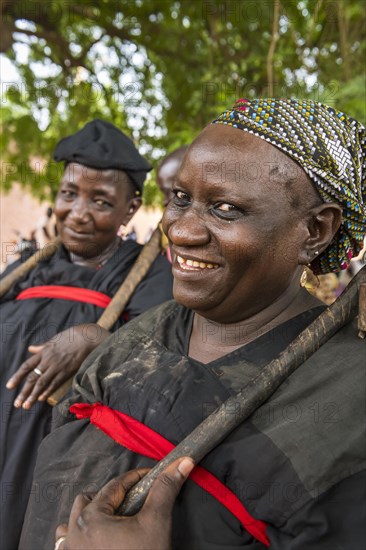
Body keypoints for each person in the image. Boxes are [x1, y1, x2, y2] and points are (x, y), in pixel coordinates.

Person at [20, 99, 365, 550]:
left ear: (315, 231)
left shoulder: (345, 404)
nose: (179, 230)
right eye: (180, 198)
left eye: (225, 209)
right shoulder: (135, 341)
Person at [0, 119, 173, 550]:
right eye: (68, 194)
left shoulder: (147, 273)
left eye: (99, 200)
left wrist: (95, 338)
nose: (77, 212)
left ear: (130, 209)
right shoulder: (28, 266)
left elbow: (168, 355)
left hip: (56, 459)